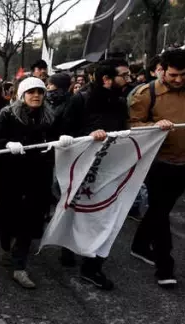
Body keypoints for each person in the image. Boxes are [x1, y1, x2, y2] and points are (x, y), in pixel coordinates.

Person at [58, 62, 130, 290]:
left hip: (109, 169)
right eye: (123, 75)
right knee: (75, 209)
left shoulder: (120, 102)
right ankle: (68, 246)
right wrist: (88, 137)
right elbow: (64, 132)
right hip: (82, 167)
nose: (128, 79)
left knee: (103, 214)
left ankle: (92, 266)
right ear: (107, 79)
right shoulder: (80, 99)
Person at [128, 49, 185, 288]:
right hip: (157, 165)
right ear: (162, 70)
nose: (179, 80)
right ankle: (165, 266)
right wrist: (154, 126)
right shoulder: (146, 94)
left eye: (184, 74)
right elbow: (132, 127)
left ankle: (139, 245)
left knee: (160, 210)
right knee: (160, 212)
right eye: (174, 75)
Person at [0, 77, 59, 289]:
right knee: (8, 219)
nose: (36, 95)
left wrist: (62, 140)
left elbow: (58, 137)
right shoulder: (8, 114)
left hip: (38, 176)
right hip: (12, 176)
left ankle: (20, 267)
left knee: (29, 222)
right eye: (31, 92)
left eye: (40, 91)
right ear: (22, 95)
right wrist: (7, 143)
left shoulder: (50, 116)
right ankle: (6, 247)